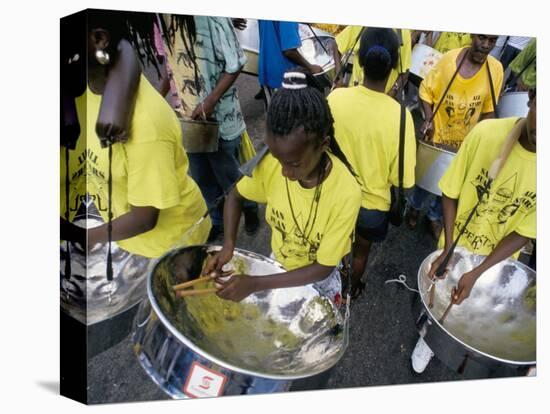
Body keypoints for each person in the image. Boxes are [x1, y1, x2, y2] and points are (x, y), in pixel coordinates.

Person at [61, 10, 211, 278]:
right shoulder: (82, 89)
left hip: (170, 243)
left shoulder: (147, 125)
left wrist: (75, 235)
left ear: (98, 38)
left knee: (174, 306)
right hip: (126, 238)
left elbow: (144, 219)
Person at [205, 69, 362, 305]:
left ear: (323, 145)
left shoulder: (346, 193)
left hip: (318, 280)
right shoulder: (271, 165)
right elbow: (235, 196)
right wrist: (228, 245)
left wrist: (256, 284)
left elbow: (322, 267)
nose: (285, 172)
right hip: (277, 265)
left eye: (294, 164)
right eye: (279, 160)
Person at [411, 88, 536, 373]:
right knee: (439, 298)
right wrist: (450, 249)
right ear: (531, 98)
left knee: (468, 311)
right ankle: (428, 339)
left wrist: (478, 271)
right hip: (455, 246)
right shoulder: (486, 134)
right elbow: (450, 191)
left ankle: (456, 344)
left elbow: (526, 231)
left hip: (497, 263)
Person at [327, 28, 416, 299]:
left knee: (333, 245)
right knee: (361, 251)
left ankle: (331, 288)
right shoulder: (401, 117)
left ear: (360, 62)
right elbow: (404, 181)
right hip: (372, 208)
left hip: (333, 197)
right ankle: (351, 290)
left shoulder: (335, 98)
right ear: (393, 65)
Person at [160, 14, 259, 241]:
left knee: (230, 176)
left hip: (220, 120)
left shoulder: (213, 18)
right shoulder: (164, 20)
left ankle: (250, 209)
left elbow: (235, 63)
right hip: (189, 120)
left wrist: (210, 101)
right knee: (202, 176)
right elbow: (169, 63)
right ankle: (217, 221)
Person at [407, 34, 503, 241]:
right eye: (482, 38)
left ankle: (434, 216)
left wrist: (487, 140)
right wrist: (428, 119)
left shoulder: (495, 70)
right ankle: (414, 207)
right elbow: (426, 91)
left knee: (449, 187)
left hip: (465, 145)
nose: (486, 45)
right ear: (471, 35)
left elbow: (489, 110)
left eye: (492, 41)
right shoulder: (449, 60)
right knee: (425, 180)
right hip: (438, 137)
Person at [334, 26, 411, 98]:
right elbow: (337, 45)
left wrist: (391, 93)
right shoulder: (360, 25)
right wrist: (339, 77)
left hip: (384, 98)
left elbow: (405, 70)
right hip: (355, 94)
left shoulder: (403, 32)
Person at [257, 20, 324, 103]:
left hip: (267, 71)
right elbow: (289, 51)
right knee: (290, 113)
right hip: (284, 78)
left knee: (274, 112)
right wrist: (311, 68)